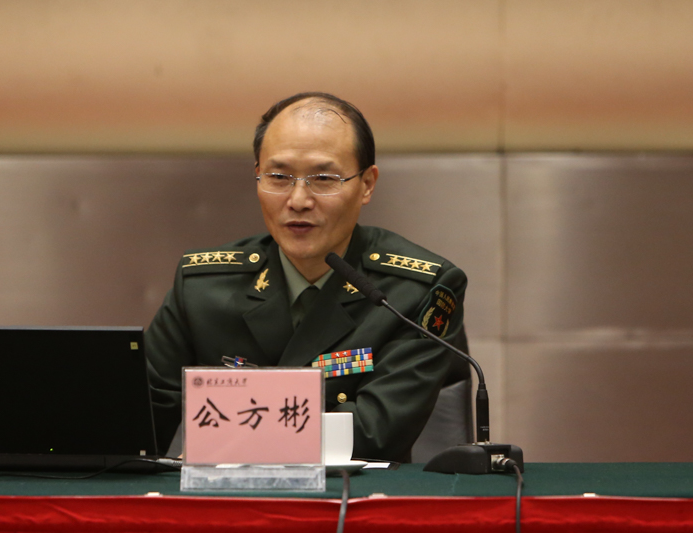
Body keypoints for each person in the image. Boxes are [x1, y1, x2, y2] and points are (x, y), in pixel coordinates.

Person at [145, 92, 467, 462]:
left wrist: (223, 428)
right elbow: (139, 419)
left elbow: (375, 434)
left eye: (324, 178)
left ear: (366, 184)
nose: (298, 200)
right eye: (279, 177)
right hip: (229, 495)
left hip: (353, 494)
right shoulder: (203, 287)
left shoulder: (416, 291)